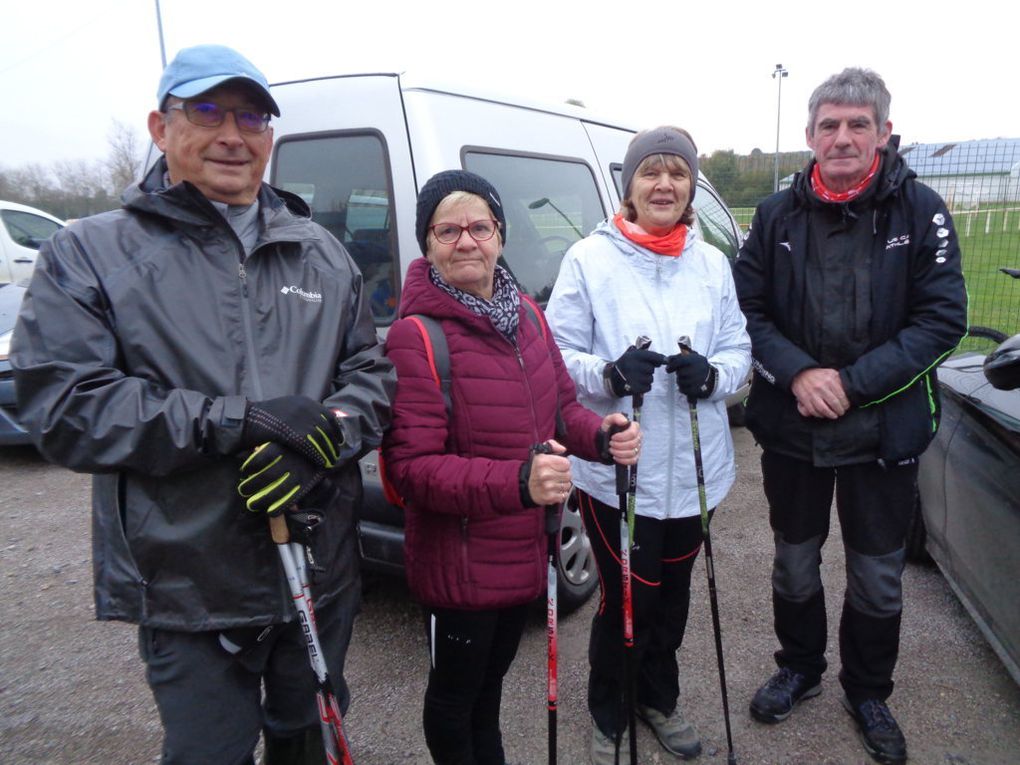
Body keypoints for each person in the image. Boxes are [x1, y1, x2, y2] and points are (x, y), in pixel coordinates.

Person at [11, 44, 395, 764]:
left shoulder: (321, 252)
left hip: (318, 567)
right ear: (161, 127)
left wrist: (325, 434)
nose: (232, 133)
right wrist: (239, 421)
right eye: (207, 110)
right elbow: (65, 405)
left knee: (308, 739)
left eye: (251, 115)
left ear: (270, 138)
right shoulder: (89, 252)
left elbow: (371, 377)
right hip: (189, 584)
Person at [733, 68, 968, 765]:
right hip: (793, 430)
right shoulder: (775, 215)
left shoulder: (920, 209)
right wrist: (800, 373)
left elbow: (942, 318)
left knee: (877, 575)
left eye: (857, 124)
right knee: (795, 562)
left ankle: (868, 689)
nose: (842, 136)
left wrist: (853, 384)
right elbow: (747, 310)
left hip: (882, 433)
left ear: (883, 133)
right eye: (829, 125)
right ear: (809, 136)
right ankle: (800, 666)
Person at [381, 170, 642, 765]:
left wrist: (601, 437)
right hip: (460, 563)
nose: (465, 241)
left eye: (479, 226)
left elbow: (562, 410)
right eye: (447, 230)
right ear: (428, 244)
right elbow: (413, 470)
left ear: (500, 235)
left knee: (490, 693)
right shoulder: (414, 336)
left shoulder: (525, 314)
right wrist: (518, 484)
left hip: (523, 549)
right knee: (454, 701)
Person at [545, 126, 752, 765]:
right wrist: (607, 373)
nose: (664, 184)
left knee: (675, 593)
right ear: (629, 186)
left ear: (690, 187)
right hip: (618, 473)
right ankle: (609, 707)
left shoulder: (712, 262)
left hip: (694, 470)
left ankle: (658, 698)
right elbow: (556, 353)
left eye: (677, 173)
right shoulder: (589, 259)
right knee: (627, 595)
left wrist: (713, 377)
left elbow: (739, 348)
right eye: (650, 172)